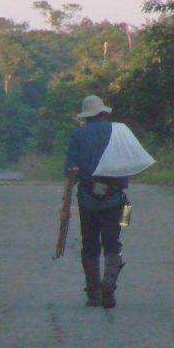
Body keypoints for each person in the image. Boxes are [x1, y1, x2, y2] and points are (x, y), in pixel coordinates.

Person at [65, 95, 129, 309]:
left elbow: (70, 170)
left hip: (87, 198)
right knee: (113, 242)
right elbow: (127, 164)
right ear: (103, 113)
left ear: (86, 116)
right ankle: (109, 282)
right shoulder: (116, 131)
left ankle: (94, 294)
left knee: (90, 244)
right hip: (115, 198)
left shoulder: (77, 135)